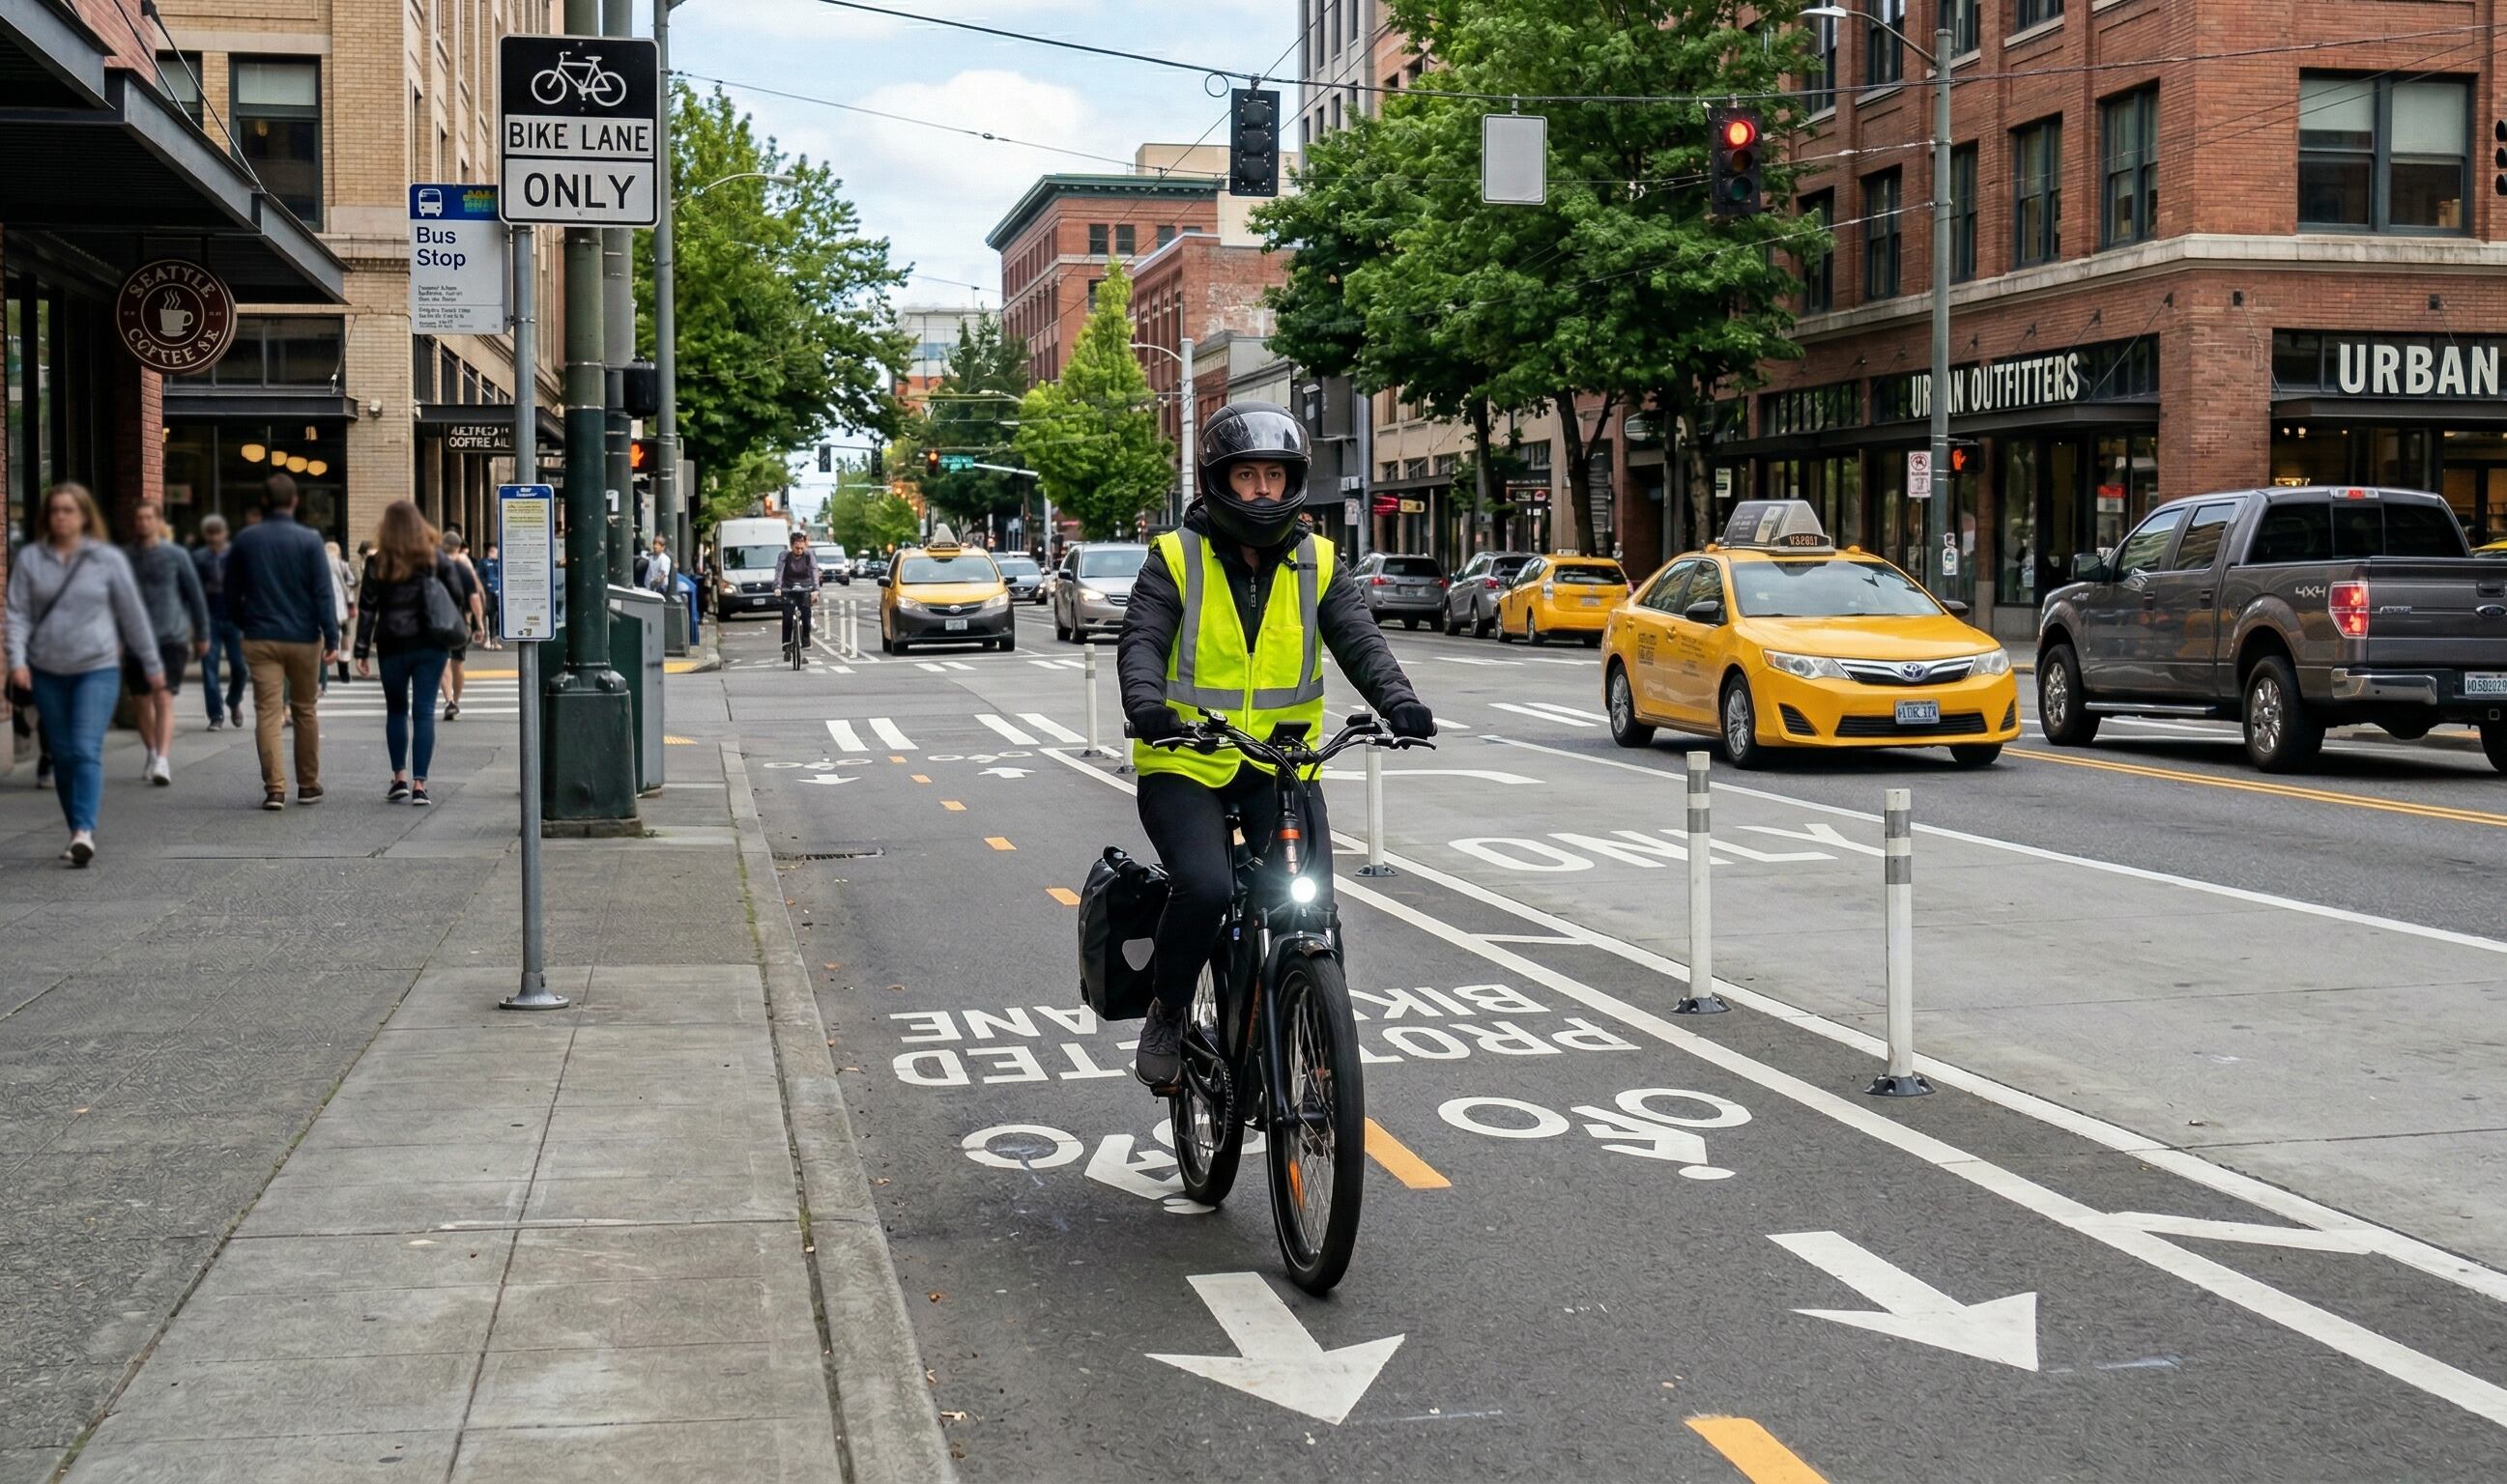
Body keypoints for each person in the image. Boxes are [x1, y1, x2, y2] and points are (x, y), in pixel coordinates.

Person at [1116, 403, 1434, 1088]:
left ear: (1293, 483)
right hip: (1185, 760)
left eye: (1274, 475)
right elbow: (1142, 640)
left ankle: (1322, 1056)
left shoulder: (1319, 561)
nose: (1262, 490)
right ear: (1218, 483)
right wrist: (1146, 706)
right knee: (1203, 886)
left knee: (1311, 901)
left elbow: (1359, 640)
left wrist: (1399, 702)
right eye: (1246, 476)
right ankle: (1169, 1010)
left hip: (1280, 765)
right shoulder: (1175, 557)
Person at [5, 484, 163, 865]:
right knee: (61, 753)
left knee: (84, 747)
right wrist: (18, 661)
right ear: (47, 516)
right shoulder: (31, 560)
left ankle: (84, 832)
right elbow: (17, 613)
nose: (61, 516)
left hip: (97, 667)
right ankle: (76, 824)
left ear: (85, 516)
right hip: (46, 669)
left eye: (69, 510)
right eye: (55, 510)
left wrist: (152, 664)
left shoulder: (106, 560)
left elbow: (132, 614)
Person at [224, 472, 339, 810]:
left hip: (260, 636)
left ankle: (275, 789)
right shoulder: (309, 540)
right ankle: (307, 784)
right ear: (295, 502)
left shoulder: (246, 540)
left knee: (268, 712)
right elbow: (323, 593)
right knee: (305, 709)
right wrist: (331, 635)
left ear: (263, 501)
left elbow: (230, 593)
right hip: (304, 637)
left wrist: (243, 622)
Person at [355, 501, 466, 806]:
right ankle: (420, 784)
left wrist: (361, 649)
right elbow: (456, 595)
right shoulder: (435, 558)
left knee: (396, 710)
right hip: (431, 643)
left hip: (392, 643)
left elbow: (367, 609)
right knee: (425, 710)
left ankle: (399, 778)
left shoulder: (378, 562)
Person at [124, 501, 210, 786]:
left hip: (171, 637)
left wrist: (202, 634)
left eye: (148, 517)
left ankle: (162, 759)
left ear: (158, 522)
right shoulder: (125, 557)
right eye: (139, 518)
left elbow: (196, 595)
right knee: (140, 702)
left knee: (163, 697)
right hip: (136, 639)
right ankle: (151, 750)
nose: (143, 522)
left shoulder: (176, 555)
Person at [192, 514, 247, 730]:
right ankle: (216, 715)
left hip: (234, 618)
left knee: (240, 667)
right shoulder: (198, 558)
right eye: (210, 533)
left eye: (218, 533)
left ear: (225, 533)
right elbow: (193, 591)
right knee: (209, 669)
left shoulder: (236, 555)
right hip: (209, 619)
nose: (215, 538)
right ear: (206, 535)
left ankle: (233, 701)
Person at [439, 530, 486, 720]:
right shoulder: (463, 567)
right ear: (459, 547)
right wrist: (480, 624)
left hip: (437, 621)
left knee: (443, 661)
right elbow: (474, 597)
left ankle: (449, 700)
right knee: (458, 663)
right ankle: (455, 701)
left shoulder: (432, 566)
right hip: (459, 621)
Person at [776, 528, 818, 654]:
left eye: (801, 548)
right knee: (787, 616)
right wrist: (777, 587)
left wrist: (816, 589)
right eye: (796, 548)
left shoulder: (809, 555)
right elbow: (779, 571)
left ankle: (805, 639)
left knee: (806, 615)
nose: (799, 551)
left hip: (805, 587)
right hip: (788, 587)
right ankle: (787, 642)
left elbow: (814, 571)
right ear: (791, 546)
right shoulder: (784, 555)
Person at [325, 541, 356, 686]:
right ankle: (344, 672)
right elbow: (352, 581)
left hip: (326, 607)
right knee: (344, 639)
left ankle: (322, 674)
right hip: (342, 608)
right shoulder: (342, 565)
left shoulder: (320, 564)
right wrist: (350, 603)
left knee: (325, 640)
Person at [475, 542, 503, 648]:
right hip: (488, 592)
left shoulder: (500, 563)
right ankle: (487, 638)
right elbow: (479, 576)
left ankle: (494, 639)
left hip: (498, 591)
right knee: (488, 614)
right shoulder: (483, 563)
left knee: (496, 616)